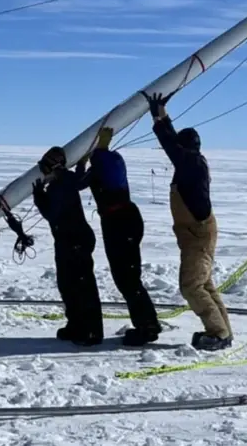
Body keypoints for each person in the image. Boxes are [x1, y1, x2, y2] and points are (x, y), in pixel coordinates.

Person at [145, 91, 234, 351]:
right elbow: (174, 142)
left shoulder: (190, 163)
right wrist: (161, 112)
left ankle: (218, 334)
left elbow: (169, 143)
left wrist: (158, 115)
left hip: (197, 234)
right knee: (204, 284)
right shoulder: (192, 161)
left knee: (191, 286)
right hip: (198, 233)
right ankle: (223, 332)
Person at [76, 127, 162, 346]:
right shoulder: (115, 161)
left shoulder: (100, 167)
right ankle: (147, 323)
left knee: (127, 278)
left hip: (118, 223)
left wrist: (81, 163)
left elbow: (78, 184)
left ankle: (147, 326)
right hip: (128, 219)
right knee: (129, 276)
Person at [32, 146, 103, 346]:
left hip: (74, 240)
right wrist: (81, 164)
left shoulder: (59, 185)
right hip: (68, 240)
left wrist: (39, 198)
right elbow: (81, 180)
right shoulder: (66, 180)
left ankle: (90, 331)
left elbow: (52, 214)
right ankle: (76, 325)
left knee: (81, 286)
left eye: (45, 168)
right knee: (67, 285)